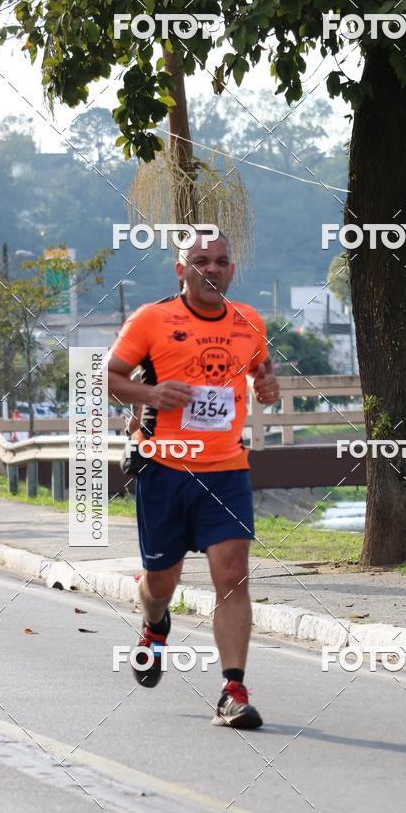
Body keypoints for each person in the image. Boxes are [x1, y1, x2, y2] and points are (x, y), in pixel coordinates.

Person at [107, 231, 280, 729]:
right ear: (181, 270)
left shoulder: (249, 320)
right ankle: (154, 624)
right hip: (165, 470)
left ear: (232, 269)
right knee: (162, 581)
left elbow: (261, 370)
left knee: (233, 574)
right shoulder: (152, 320)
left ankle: (233, 691)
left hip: (226, 470)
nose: (213, 269)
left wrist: (267, 385)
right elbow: (109, 378)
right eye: (201, 260)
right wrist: (152, 394)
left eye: (222, 261)